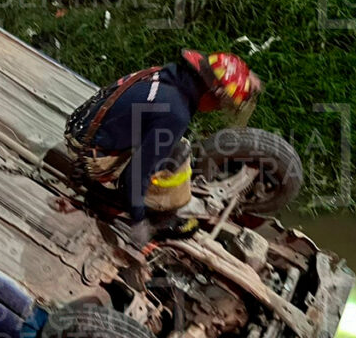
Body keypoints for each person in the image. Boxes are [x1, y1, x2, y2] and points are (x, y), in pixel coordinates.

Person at [65, 49, 261, 247]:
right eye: (220, 104)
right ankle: (146, 209)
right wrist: (139, 221)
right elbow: (136, 174)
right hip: (91, 157)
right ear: (212, 95)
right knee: (179, 156)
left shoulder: (168, 76)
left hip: (83, 128)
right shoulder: (175, 112)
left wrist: (242, 78)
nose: (217, 108)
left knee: (169, 145)